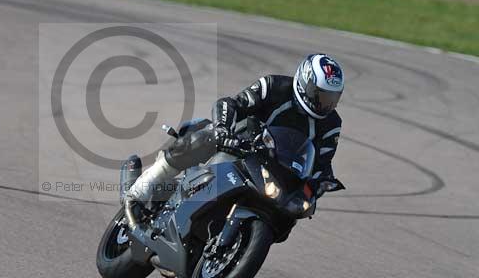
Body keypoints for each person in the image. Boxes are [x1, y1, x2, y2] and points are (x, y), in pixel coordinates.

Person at [123, 53, 345, 214]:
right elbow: (231, 103)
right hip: (240, 146)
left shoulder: (331, 124)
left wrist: (319, 185)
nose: (325, 104)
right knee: (206, 135)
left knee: (295, 210)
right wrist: (223, 129)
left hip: (279, 172)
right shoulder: (274, 86)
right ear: (305, 83)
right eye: (320, 95)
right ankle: (140, 190)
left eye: (331, 98)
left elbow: (322, 164)